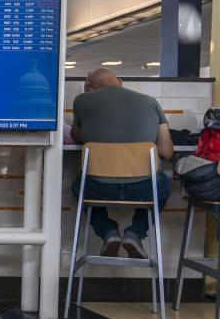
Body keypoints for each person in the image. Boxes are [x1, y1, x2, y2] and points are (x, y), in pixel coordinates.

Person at [71, 68, 173, 258]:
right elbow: (166, 152)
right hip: (143, 188)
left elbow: (78, 137)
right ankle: (135, 233)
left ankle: (109, 233)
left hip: (98, 188)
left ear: (89, 88)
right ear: (120, 81)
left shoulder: (82, 101)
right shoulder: (151, 102)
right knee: (164, 186)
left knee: (79, 186)